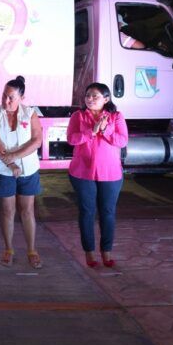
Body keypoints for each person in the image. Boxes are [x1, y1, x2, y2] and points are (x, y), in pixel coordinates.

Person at [0, 76, 44, 269]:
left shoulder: (30, 113)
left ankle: (32, 250)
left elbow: (36, 141)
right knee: (7, 210)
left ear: (22, 97)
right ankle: (8, 249)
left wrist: (15, 156)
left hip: (28, 169)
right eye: (4, 96)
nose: (6, 101)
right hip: (3, 169)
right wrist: (10, 164)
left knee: (27, 210)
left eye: (11, 97)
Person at [67, 82, 129, 268]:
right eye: (88, 96)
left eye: (95, 96)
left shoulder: (116, 117)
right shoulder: (78, 116)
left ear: (106, 99)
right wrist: (90, 131)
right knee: (87, 212)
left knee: (108, 212)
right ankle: (89, 252)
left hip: (110, 174)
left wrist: (105, 129)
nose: (90, 99)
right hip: (82, 172)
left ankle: (106, 250)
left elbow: (122, 140)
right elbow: (71, 139)